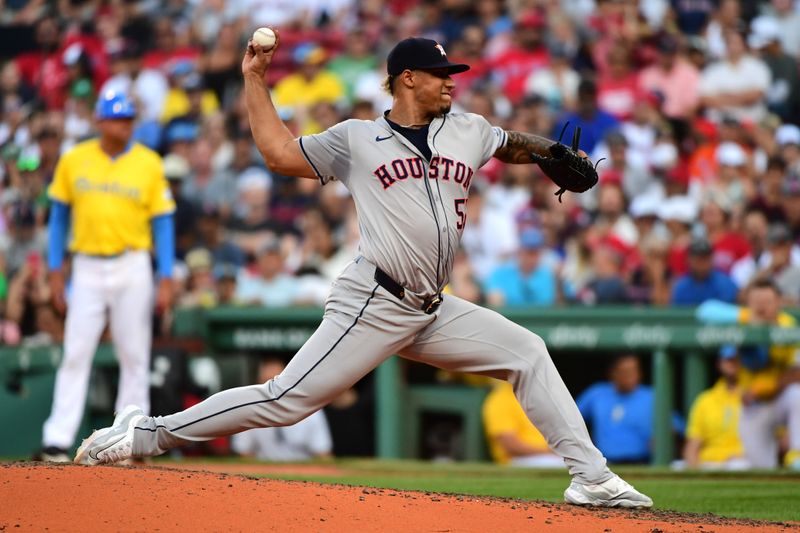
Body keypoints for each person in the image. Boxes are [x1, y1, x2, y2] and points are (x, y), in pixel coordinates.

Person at [73, 35, 652, 508]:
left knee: (526, 352)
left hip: (431, 307)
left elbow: (510, 145)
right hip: (373, 301)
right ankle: (145, 433)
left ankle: (592, 477)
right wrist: (254, 80)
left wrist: (552, 151)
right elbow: (277, 152)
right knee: (286, 399)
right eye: (439, 72)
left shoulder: (468, 129)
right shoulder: (356, 139)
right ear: (407, 79)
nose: (452, 79)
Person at [39, 91, 175, 462]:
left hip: (132, 263)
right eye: (117, 118)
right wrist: (55, 270)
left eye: (129, 118)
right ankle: (57, 438)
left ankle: (132, 439)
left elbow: (163, 223)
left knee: (134, 354)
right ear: (100, 122)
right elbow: (58, 220)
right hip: (86, 265)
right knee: (76, 350)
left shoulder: (148, 162)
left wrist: (166, 275)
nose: (124, 124)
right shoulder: (75, 159)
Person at [696, 279, 800, 469]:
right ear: (749, 303)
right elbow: (704, 311)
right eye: (756, 302)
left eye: (767, 302)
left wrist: (760, 389)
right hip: (753, 407)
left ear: (778, 302)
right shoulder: (744, 319)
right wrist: (742, 316)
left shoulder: (788, 327)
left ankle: (797, 455)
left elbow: (795, 374)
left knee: (797, 395)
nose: (761, 308)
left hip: (779, 399)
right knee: (759, 469)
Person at [232, 358, 333, 461]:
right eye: (264, 383)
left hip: (302, 472)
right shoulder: (250, 411)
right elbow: (244, 452)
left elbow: (323, 453)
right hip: (263, 472)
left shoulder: (310, 411)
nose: (270, 391)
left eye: (274, 384)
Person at [576, 355, 657, 464]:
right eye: (626, 372)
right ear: (613, 373)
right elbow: (570, 420)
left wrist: (661, 439)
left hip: (643, 462)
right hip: (604, 463)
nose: (631, 377)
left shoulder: (651, 396)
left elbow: (675, 429)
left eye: (634, 371)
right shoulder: (597, 393)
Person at [682, 346, 748, 471]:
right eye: (728, 359)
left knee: (738, 465)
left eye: (736, 359)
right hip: (709, 463)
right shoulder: (705, 400)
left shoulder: (755, 396)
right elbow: (692, 446)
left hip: (744, 462)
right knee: (678, 466)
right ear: (719, 364)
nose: (732, 363)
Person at [482, 380, 564, 468]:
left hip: (550, 456)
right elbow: (511, 446)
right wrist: (550, 451)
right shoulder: (500, 400)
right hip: (518, 460)